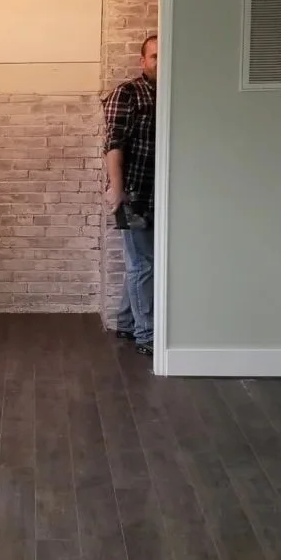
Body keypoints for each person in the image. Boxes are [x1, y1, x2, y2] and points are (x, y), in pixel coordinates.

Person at [103, 34, 158, 356]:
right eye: (155, 56)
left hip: (157, 192)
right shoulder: (128, 93)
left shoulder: (171, 95)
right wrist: (117, 190)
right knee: (143, 264)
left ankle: (126, 321)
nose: (160, 62)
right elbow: (113, 144)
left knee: (141, 262)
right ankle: (146, 334)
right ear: (143, 61)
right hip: (133, 194)